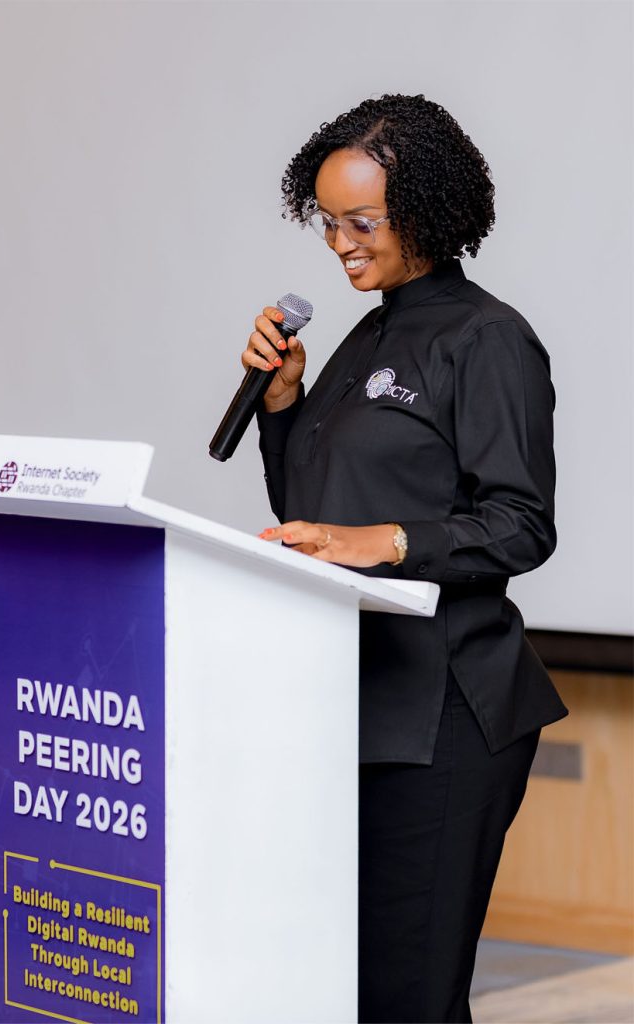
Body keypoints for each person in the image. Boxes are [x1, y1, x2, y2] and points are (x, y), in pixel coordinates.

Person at [243, 94, 568, 1023]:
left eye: (362, 222)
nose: (340, 243)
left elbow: (521, 525)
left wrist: (386, 542)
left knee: (407, 996)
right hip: (347, 698)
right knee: (339, 985)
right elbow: (309, 513)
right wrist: (281, 409)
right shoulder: (367, 333)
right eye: (327, 221)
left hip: (447, 715)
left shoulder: (487, 339)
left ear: (427, 207)